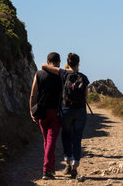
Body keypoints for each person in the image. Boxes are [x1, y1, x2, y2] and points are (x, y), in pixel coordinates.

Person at [42, 52, 89, 179]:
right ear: (78, 64)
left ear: (68, 63)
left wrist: (43, 64)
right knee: (77, 139)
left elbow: (47, 67)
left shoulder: (63, 73)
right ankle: (74, 168)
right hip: (80, 111)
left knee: (66, 136)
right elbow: (85, 96)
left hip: (66, 111)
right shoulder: (84, 77)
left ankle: (68, 164)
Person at [29, 52, 62, 180]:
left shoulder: (39, 74)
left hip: (41, 111)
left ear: (47, 62)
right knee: (51, 141)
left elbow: (33, 94)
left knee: (46, 141)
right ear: (58, 62)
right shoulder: (61, 75)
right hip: (55, 112)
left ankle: (51, 167)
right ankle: (46, 170)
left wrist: (31, 111)